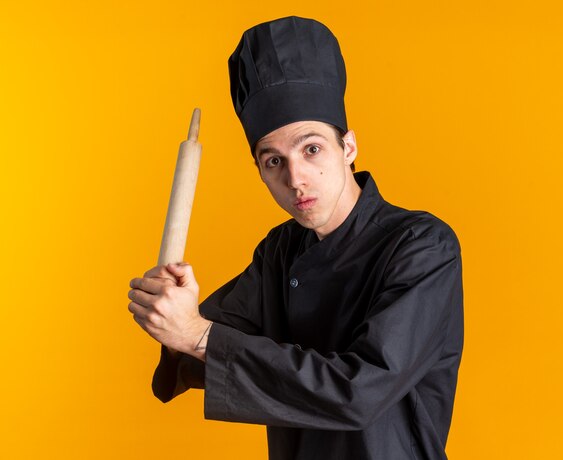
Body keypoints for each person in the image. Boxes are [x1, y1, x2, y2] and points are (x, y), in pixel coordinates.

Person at [128, 16, 464, 460]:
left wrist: (194, 334)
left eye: (311, 149)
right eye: (273, 161)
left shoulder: (422, 246)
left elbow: (359, 391)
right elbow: (203, 346)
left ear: (348, 148)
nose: (295, 179)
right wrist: (169, 314)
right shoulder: (280, 251)